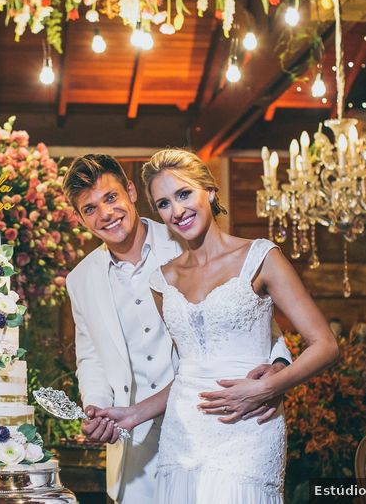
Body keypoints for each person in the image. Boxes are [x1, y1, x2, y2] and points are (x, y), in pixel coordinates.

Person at [96, 149, 339, 503]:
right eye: (164, 203)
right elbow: (187, 371)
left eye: (184, 194)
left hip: (249, 428)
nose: (177, 211)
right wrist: (133, 413)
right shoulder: (162, 280)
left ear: (209, 190)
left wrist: (269, 387)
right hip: (183, 433)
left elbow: (326, 344)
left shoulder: (261, 258)